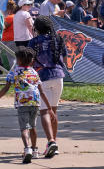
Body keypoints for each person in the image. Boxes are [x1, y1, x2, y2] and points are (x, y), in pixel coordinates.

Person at [0, 47, 56, 164]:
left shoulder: (15, 71)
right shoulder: (34, 72)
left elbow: (5, 88)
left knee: (24, 128)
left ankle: (27, 149)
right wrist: (49, 108)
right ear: (31, 61)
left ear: (19, 60)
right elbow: (42, 92)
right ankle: (34, 150)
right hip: (35, 103)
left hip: (23, 103)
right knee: (32, 127)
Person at [27, 15, 66, 158]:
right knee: (53, 110)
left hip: (42, 77)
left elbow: (29, 61)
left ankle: (50, 141)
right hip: (58, 77)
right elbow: (64, 57)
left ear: (36, 28)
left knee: (44, 111)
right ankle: (53, 143)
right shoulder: (58, 39)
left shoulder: (34, 41)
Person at [1, 0, 17, 68]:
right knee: (15, 58)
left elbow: (3, 27)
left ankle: (13, 73)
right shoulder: (17, 16)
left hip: (8, 40)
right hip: (15, 38)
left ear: (8, 9)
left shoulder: (9, 18)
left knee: (11, 58)